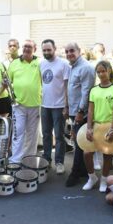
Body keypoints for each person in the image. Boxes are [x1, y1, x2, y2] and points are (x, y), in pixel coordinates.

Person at [84, 61, 113, 192]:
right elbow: (90, 111)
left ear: (109, 71)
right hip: (96, 125)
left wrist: (112, 128)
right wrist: (89, 127)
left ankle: (104, 181)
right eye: (98, 72)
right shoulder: (94, 90)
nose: (101, 74)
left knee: (107, 155)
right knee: (87, 153)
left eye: (103, 71)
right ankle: (92, 177)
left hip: (108, 126)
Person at [64, 42, 96, 187]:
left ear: (79, 51)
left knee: (79, 143)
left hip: (81, 112)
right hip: (74, 111)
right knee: (80, 142)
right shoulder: (74, 67)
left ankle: (75, 173)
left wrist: (80, 112)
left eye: (72, 50)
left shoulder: (86, 68)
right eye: (67, 51)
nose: (69, 53)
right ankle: (83, 171)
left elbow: (87, 92)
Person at [8, 40, 41, 163]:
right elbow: (7, 83)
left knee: (32, 134)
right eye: (25, 46)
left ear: (35, 49)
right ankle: (15, 160)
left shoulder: (40, 62)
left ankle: (29, 159)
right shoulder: (14, 63)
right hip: (18, 105)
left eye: (29, 47)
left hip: (36, 104)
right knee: (18, 133)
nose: (27, 48)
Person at [40, 39, 70, 174]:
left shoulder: (63, 64)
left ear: (55, 49)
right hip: (45, 105)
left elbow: (67, 87)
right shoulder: (41, 64)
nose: (46, 52)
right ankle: (46, 160)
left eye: (49, 50)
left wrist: (66, 106)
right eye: (44, 50)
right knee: (46, 135)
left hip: (59, 106)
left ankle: (59, 162)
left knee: (59, 136)